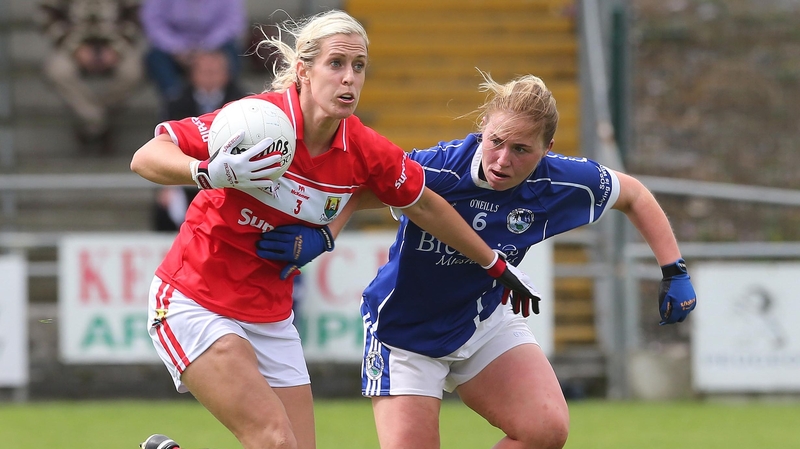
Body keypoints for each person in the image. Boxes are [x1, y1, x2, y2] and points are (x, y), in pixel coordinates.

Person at [130, 11, 539, 449]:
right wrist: (206, 171)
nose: (349, 79)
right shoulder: (257, 120)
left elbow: (423, 204)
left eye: (358, 66)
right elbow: (147, 155)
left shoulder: (363, 148)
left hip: (270, 315)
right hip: (194, 299)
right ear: (304, 71)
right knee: (275, 441)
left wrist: (494, 263)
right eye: (336, 64)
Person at [256, 72, 698, 449]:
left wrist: (673, 269)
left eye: (521, 150)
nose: (502, 160)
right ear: (483, 127)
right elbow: (358, 187)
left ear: (547, 148)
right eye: (496, 142)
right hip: (403, 334)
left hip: (483, 322)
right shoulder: (438, 169)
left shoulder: (565, 182)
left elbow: (634, 195)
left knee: (546, 430)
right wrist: (323, 236)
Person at [152, 50, 247, 232]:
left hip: (231, 174)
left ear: (227, 74)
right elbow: (163, 143)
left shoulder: (244, 102)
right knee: (167, 206)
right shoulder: (175, 102)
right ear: (192, 74)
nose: (209, 77)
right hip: (186, 171)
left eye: (215, 71)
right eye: (204, 72)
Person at [38, 0, 143, 153]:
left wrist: (116, 49)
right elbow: (46, 15)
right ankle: (100, 122)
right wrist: (75, 48)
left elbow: (136, 15)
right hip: (71, 45)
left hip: (116, 46)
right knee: (57, 70)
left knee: (133, 71)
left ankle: (91, 123)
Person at [139, 0, 246, 106]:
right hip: (173, 49)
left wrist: (205, 47)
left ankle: (230, 102)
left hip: (214, 46)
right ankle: (174, 103)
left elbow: (232, 23)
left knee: (232, 53)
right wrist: (178, 47)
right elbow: (153, 22)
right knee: (156, 58)